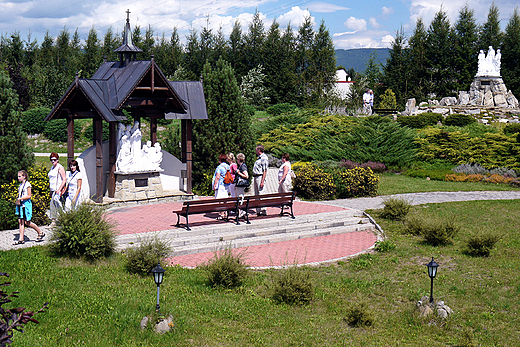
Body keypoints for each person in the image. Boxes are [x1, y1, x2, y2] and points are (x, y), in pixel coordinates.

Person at [13, 170, 45, 245]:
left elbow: (29, 195)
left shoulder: (28, 185)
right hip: (21, 205)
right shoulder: (20, 185)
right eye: (18, 176)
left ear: (24, 176)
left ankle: (40, 232)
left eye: (19, 176)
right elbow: (19, 195)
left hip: (26, 205)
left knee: (27, 222)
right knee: (20, 221)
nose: (18, 178)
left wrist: (20, 199)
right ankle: (21, 239)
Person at [48, 152, 66, 225]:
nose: (53, 161)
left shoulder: (60, 167)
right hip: (52, 189)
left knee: (54, 205)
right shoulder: (52, 168)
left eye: (54, 160)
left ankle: (54, 221)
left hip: (57, 190)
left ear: (57, 160)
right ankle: (59, 219)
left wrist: (59, 189)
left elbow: (64, 179)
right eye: (51, 160)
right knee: (54, 205)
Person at [212, 154, 231, 219]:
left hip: (221, 185)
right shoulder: (228, 166)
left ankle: (222, 214)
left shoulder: (219, 167)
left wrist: (214, 185)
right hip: (227, 184)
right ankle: (225, 213)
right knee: (225, 199)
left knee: (221, 200)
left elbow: (217, 177)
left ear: (220, 160)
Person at [253, 144, 269, 216]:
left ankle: (263, 210)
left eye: (256, 149)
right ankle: (258, 210)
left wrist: (262, 181)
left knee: (261, 193)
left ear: (259, 150)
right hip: (256, 177)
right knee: (257, 194)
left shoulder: (264, 158)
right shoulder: (259, 158)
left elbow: (265, 170)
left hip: (260, 176)